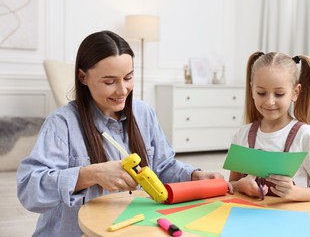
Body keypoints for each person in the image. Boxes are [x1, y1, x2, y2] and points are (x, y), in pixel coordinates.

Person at [16, 30, 231, 237]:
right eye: (109, 82)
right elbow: (29, 191)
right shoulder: (62, 123)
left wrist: (195, 176)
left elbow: (163, 166)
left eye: (128, 78)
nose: (122, 90)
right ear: (83, 77)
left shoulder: (144, 113)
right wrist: (91, 175)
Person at [229, 52, 310, 205]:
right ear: (252, 90)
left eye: (279, 94)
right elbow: (232, 186)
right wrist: (241, 186)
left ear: (295, 93)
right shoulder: (242, 135)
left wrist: (296, 192)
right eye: (261, 93)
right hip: (250, 218)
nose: (270, 102)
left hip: (291, 221)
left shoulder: (305, 135)